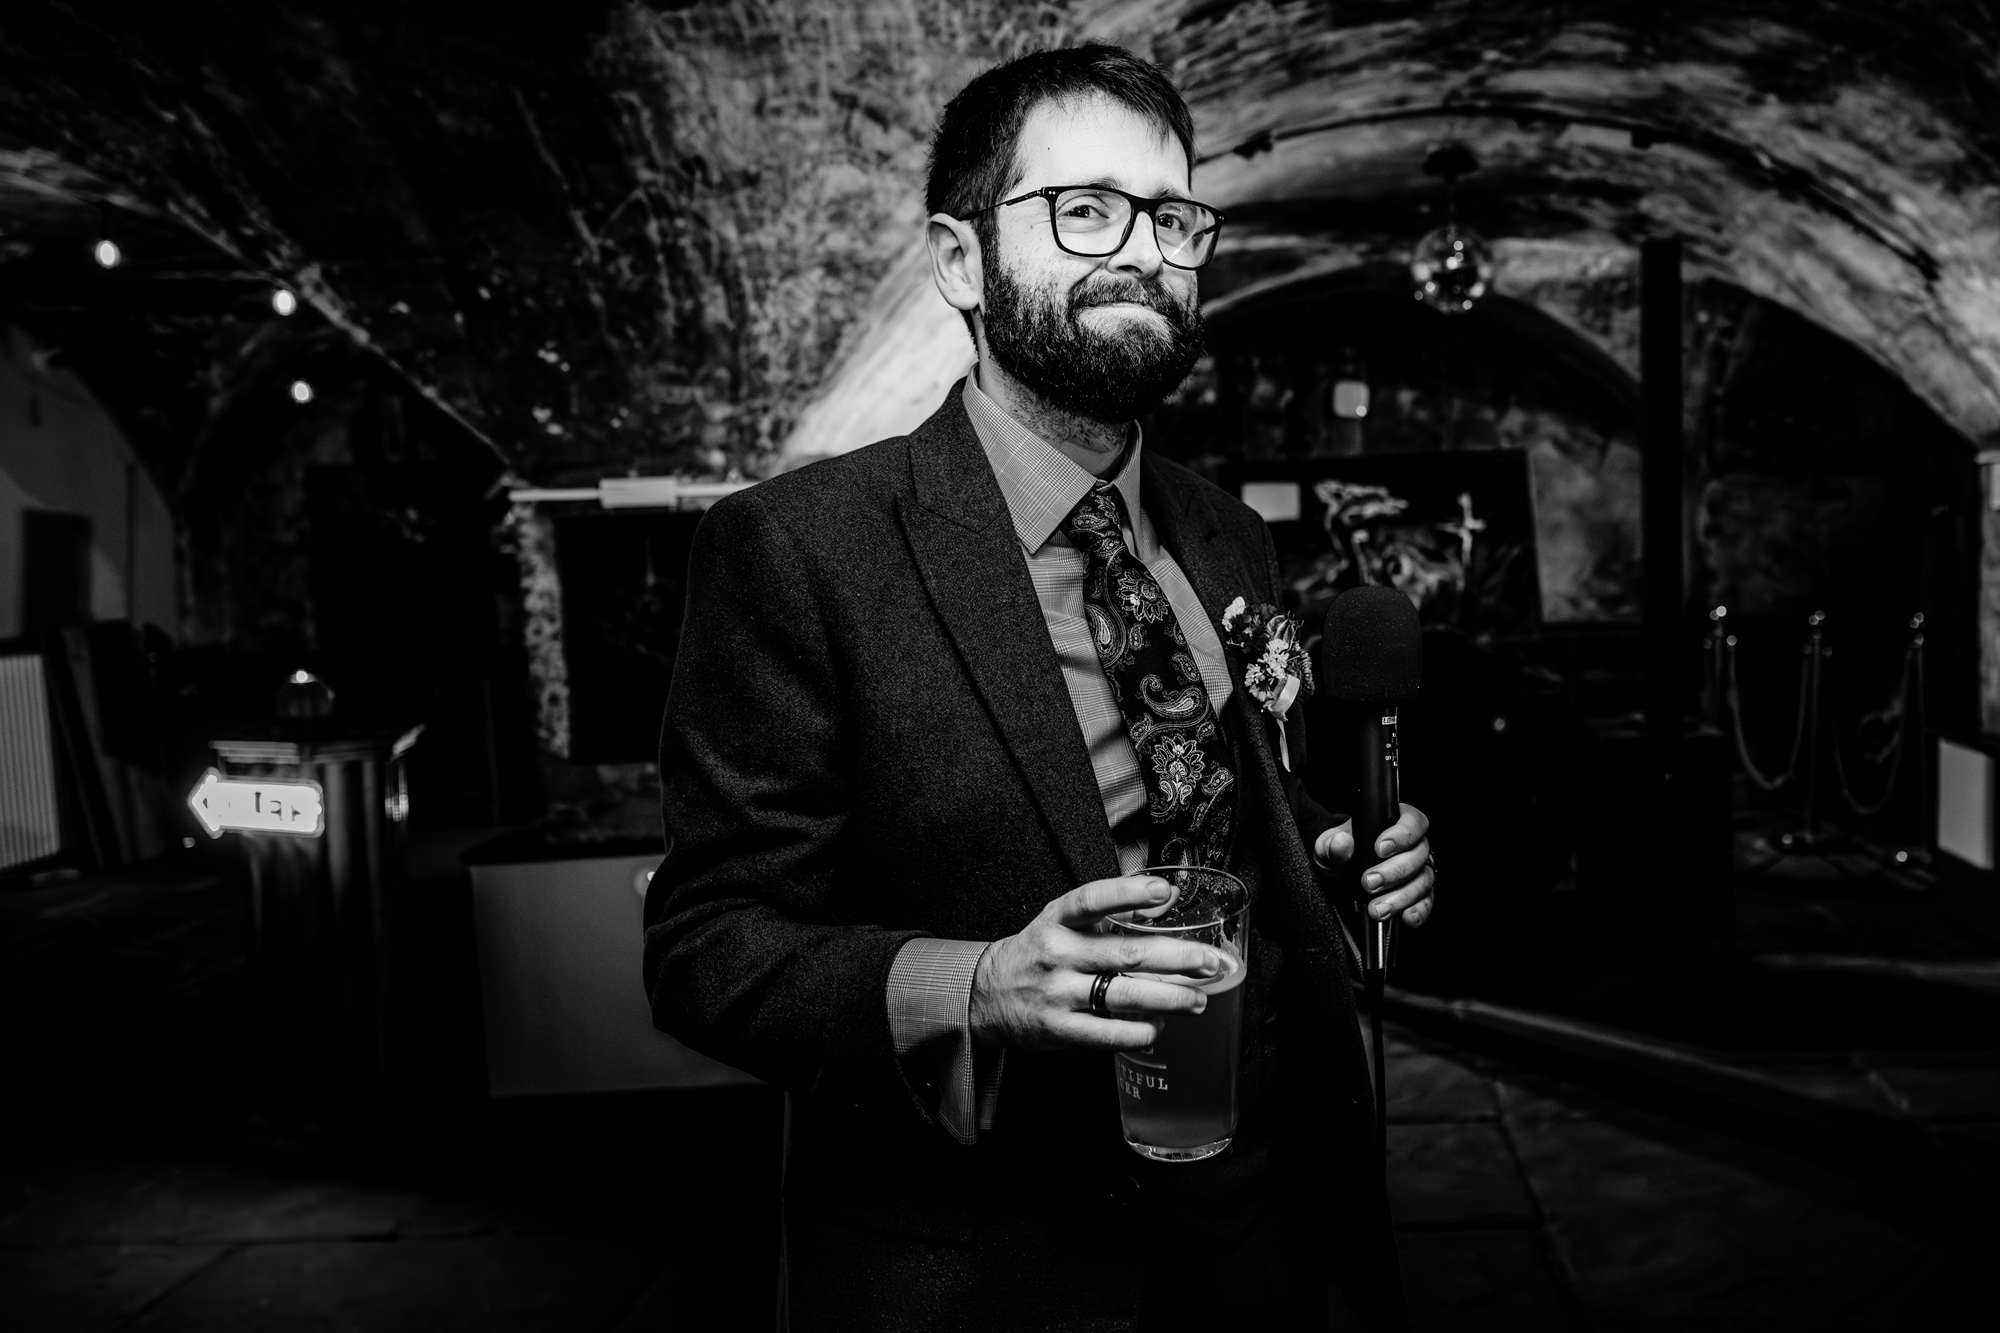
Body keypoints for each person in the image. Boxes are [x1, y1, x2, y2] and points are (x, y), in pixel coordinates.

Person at [644, 43, 1435, 1332]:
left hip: (1260, 1226)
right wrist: (977, 988)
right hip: (996, 1263)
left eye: (1175, 218)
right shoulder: (799, 549)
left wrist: (1331, 863)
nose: (1144, 250)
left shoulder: (1228, 535)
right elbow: (704, 949)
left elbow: (1231, 821)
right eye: (1085, 210)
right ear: (961, 262)